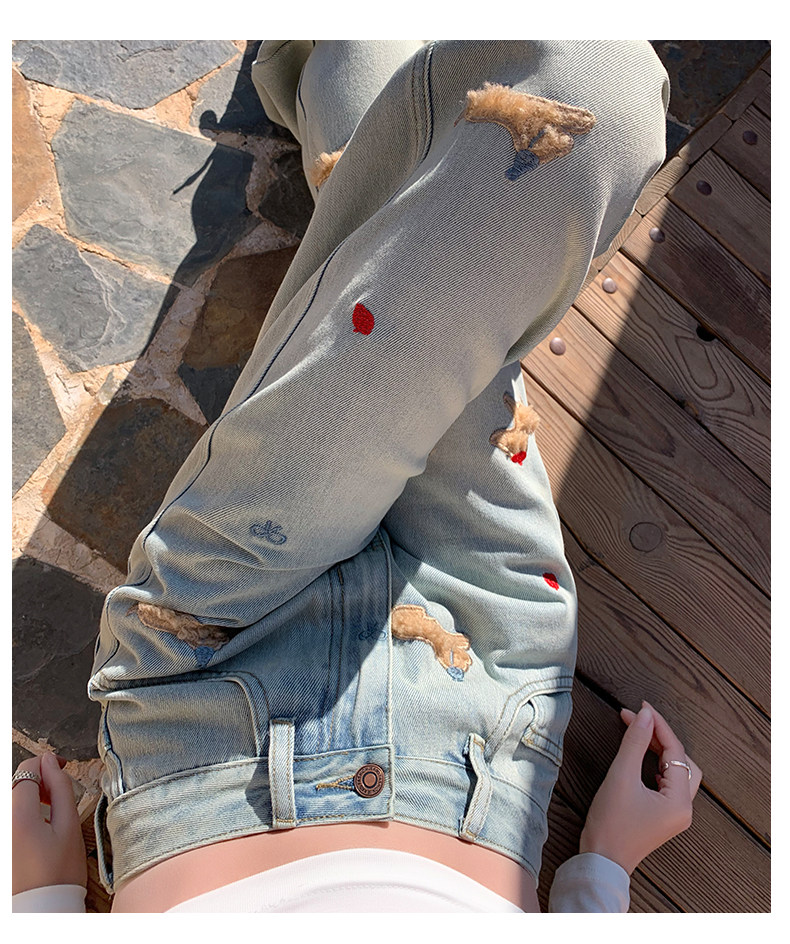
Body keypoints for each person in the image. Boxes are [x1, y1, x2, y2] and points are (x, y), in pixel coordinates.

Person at [12, 41, 701, 913]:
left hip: (208, 670)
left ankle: (325, 48)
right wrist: (604, 865)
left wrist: (41, 903)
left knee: (565, 102)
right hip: (485, 684)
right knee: (595, 96)